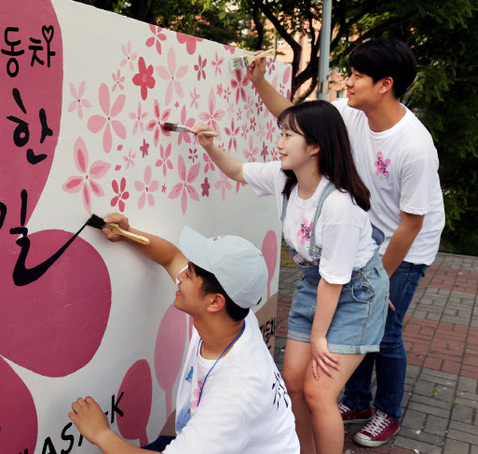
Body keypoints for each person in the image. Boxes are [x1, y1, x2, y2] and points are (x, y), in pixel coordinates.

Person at [247, 37, 445, 447]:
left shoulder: (414, 145)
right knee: (352, 335)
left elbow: (411, 223)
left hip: (404, 245)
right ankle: (354, 400)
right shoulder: (350, 113)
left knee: (385, 328)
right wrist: (259, 82)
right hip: (358, 234)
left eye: (357, 75)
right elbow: (298, 119)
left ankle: (387, 410)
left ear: (385, 84)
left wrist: (380, 280)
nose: (347, 82)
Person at [195, 100, 389, 454]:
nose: (279, 143)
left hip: (354, 293)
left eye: (288, 135)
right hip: (315, 286)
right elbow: (238, 170)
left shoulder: (338, 206)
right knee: (293, 384)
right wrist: (210, 147)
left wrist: (319, 338)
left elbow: (335, 281)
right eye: (281, 133)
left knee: (319, 392)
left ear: (314, 146)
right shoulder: (284, 177)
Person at [68, 214, 300, 454]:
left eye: (189, 274)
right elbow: (171, 257)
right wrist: (127, 234)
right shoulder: (235, 314)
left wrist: (101, 434)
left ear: (215, 302)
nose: (180, 275)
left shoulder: (233, 397)